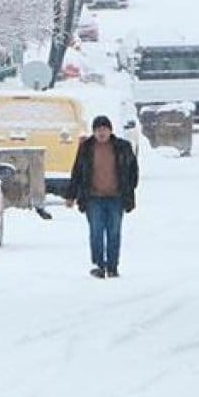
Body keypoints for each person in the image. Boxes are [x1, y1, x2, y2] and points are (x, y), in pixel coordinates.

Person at [63, 115, 140, 279]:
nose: (101, 133)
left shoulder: (122, 147)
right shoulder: (86, 148)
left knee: (114, 232)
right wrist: (71, 195)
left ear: (110, 130)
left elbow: (133, 170)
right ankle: (98, 265)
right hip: (93, 198)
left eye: (104, 129)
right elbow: (77, 172)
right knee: (96, 232)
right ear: (93, 132)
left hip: (116, 198)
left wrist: (129, 189)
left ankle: (112, 267)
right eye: (98, 130)